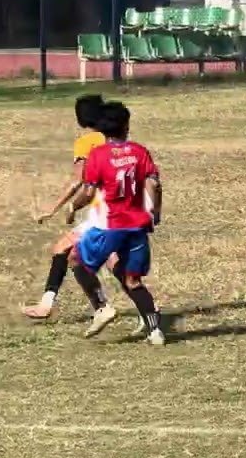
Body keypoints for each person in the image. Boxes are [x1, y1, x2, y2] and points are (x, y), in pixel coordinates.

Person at [22, 94, 132, 321]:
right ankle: (143, 307)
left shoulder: (86, 142)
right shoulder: (112, 137)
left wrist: (55, 208)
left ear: (80, 118)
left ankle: (61, 306)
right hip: (123, 207)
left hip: (104, 212)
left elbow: (78, 180)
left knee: (64, 250)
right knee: (108, 259)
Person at [68, 101, 166, 345]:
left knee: (75, 259)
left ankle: (101, 306)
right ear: (126, 126)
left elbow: (88, 192)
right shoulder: (140, 151)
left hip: (110, 225)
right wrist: (155, 212)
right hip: (138, 225)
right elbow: (154, 184)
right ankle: (155, 331)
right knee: (133, 280)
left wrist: (72, 207)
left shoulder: (98, 155)